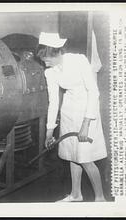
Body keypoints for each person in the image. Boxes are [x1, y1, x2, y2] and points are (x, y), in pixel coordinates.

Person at [37, 32, 107, 202]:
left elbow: (93, 91)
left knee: (85, 157)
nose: (45, 62)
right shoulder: (50, 72)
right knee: (72, 154)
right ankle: (76, 194)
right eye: (42, 58)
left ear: (58, 52)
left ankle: (100, 199)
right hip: (68, 110)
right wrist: (49, 131)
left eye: (47, 58)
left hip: (87, 109)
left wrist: (86, 124)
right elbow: (53, 101)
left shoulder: (79, 60)